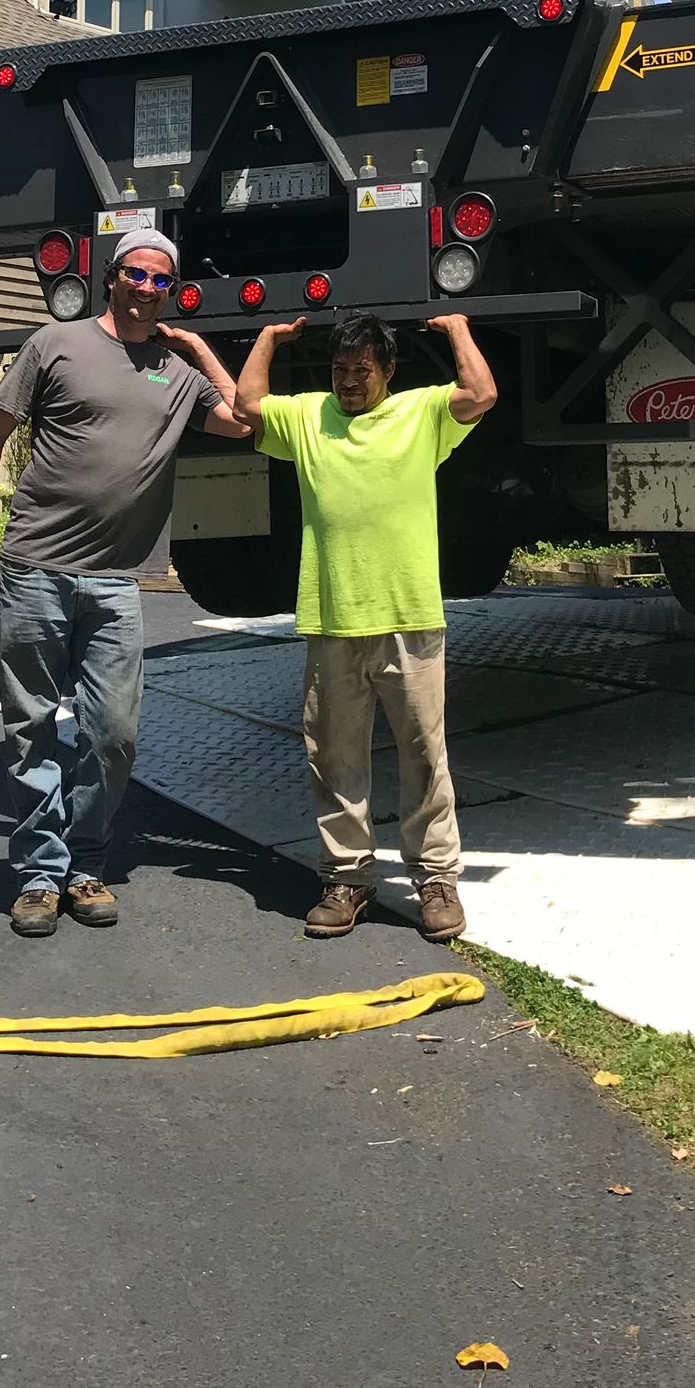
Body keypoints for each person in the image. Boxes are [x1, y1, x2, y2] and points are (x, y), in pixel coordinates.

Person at [0, 230, 248, 937]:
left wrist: (200, 350)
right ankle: (41, 875)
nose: (148, 288)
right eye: (137, 275)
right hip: (35, 568)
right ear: (111, 278)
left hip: (116, 582)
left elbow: (242, 420)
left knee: (113, 734)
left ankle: (86, 862)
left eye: (162, 281)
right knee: (30, 729)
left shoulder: (176, 373)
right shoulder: (56, 345)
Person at [232, 308, 497, 944]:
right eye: (341, 369)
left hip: (409, 612)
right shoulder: (308, 415)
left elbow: (482, 393)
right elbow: (246, 405)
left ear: (388, 373)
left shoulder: (421, 413)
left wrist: (457, 328)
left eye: (363, 371)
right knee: (334, 755)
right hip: (332, 617)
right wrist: (268, 337)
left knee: (423, 752)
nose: (350, 381)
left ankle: (434, 878)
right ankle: (347, 877)